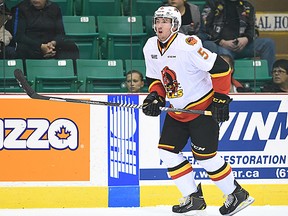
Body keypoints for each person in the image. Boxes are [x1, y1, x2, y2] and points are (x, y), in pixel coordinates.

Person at [142, 6, 254, 215]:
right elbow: (156, 79)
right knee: (167, 152)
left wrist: (221, 99)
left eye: (165, 21)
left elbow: (221, 68)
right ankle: (194, 198)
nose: (159, 25)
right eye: (157, 21)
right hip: (177, 110)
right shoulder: (150, 46)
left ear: (175, 25)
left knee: (206, 156)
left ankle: (238, 194)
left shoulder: (188, 45)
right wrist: (155, 96)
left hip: (202, 107)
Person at [201, 0, 276, 74]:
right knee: (214, 49)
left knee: (268, 43)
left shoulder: (247, 6)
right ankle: (228, 83)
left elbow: (254, 29)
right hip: (221, 46)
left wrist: (246, 39)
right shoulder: (213, 3)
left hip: (243, 45)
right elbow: (205, 28)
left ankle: (269, 79)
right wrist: (221, 42)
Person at [13, 0, 79, 61]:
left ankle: (67, 71)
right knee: (22, 48)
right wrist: (40, 46)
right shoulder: (21, 8)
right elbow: (19, 36)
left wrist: (53, 43)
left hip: (51, 46)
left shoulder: (55, 8)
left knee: (71, 47)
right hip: (32, 46)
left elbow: (61, 33)